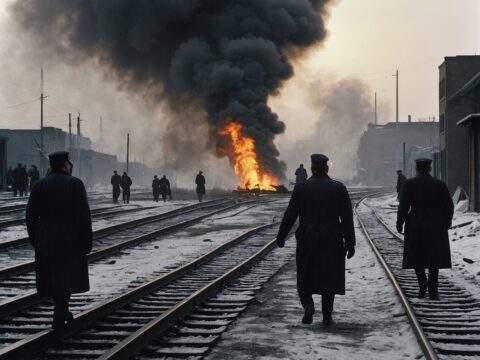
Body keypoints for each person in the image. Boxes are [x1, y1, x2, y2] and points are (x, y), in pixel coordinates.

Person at [276, 154, 355, 326]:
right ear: (327, 168)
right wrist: (351, 243)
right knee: (330, 274)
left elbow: (290, 215)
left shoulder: (301, 188)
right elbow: (347, 218)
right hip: (332, 235)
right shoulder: (338, 188)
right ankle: (327, 316)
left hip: (307, 235)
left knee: (305, 271)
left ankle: (308, 304)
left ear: (311, 169)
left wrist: (281, 236)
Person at [26, 151, 92, 329]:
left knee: (53, 275)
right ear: (65, 165)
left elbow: (30, 216)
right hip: (70, 236)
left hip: (46, 236)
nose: (71, 166)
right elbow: (83, 216)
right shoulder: (75, 184)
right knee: (67, 275)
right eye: (69, 164)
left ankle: (61, 309)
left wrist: (36, 239)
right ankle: (61, 310)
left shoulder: (39, 185)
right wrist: (86, 241)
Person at [396, 158, 453, 300]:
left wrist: (400, 222)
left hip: (416, 223)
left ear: (417, 168)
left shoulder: (409, 183)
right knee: (434, 256)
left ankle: (422, 282)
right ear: (430, 169)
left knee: (417, 254)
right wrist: (446, 221)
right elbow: (449, 205)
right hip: (436, 223)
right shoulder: (439, 184)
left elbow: (403, 206)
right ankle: (433, 290)